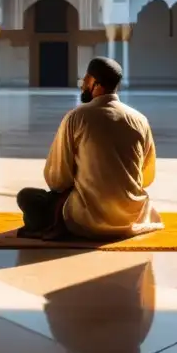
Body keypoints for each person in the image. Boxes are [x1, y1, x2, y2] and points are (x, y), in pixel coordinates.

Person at [16, 56, 163, 240]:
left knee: (27, 197)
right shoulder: (139, 120)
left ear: (95, 83)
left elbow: (57, 180)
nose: (82, 85)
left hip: (85, 219)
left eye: (85, 81)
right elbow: (146, 178)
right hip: (132, 217)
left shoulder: (77, 117)